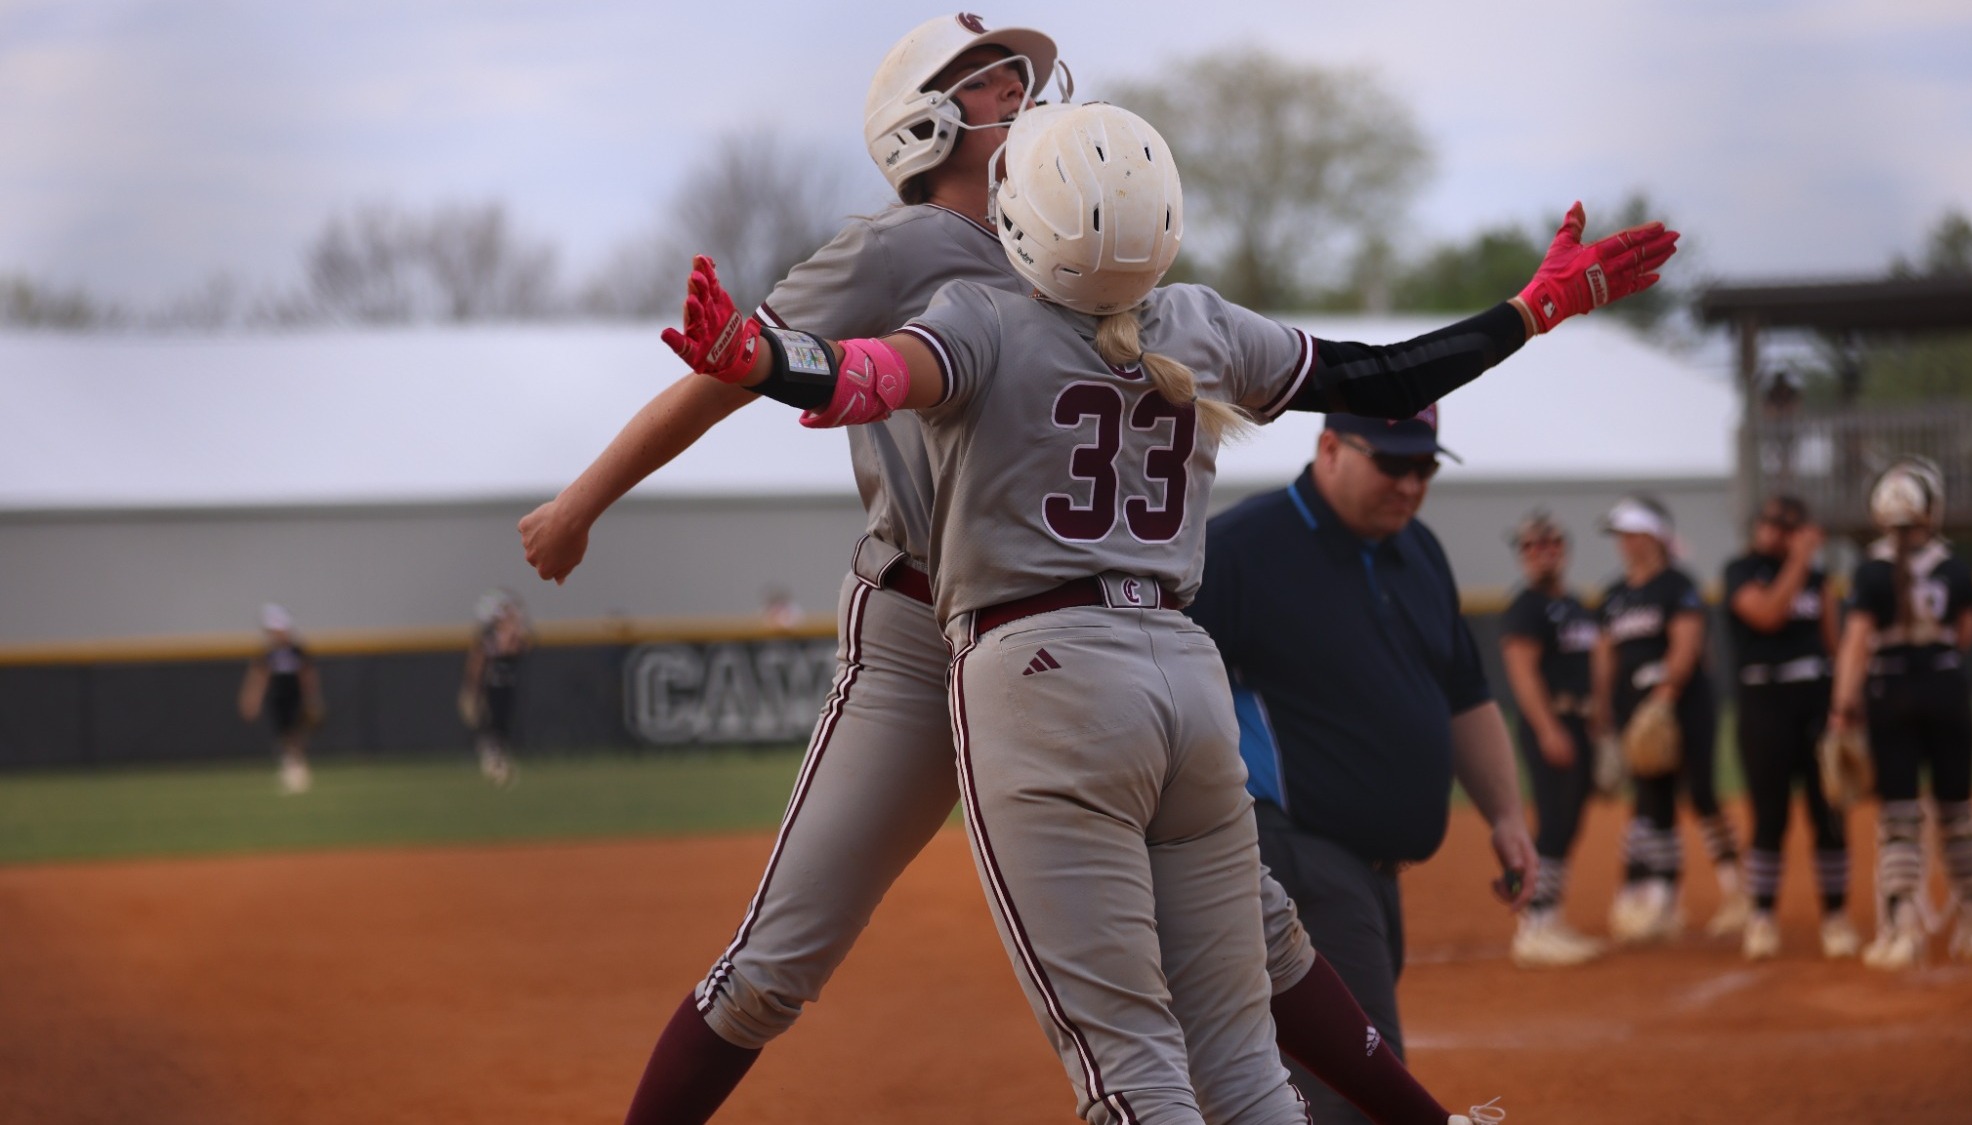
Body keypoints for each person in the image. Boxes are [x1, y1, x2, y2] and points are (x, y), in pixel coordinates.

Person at [526, 19, 1540, 1125]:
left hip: (1070, 640)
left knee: (1253, 929)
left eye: (1021, 74)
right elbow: (734, 375)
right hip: (923, 628)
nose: (1021, 87)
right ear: (920, 124)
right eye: (988, 78)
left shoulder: (1091, 238)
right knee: (777, 959)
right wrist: (583, 501)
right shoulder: (901, 250)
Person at [1190, 407, 1538, 1119]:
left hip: (1372, 873)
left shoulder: (1421, 551)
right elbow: (1157, 687)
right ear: (1330, 448)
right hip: (1293, 857)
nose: (1410, 484)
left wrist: (1505, 814)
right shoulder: (1242, 548)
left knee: (1318, 1084)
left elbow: (1464, 693)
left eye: (1424, 467)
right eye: (1391, 462)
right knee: (1355, 1091)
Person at [1829, 458, 1972, 968]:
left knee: (1899, 816)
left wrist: (1842, 707)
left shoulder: (1871, 571)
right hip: (1946, 691)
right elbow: (1965, 635)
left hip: (1891, 693)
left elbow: (1857, 643)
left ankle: (1901, 927)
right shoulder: (1955, 568)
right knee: (1957, 813)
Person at [1590, 495, 1747, 943]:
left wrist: (1665, 696)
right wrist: (1602, 708)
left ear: (1654, 537)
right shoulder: (1614, 595)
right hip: (1633, 708)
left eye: (1632, 534)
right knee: (1651, 798)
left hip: (1683, 705)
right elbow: (1605, 654)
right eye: (1621, 535)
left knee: (1701, 792)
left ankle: (1738, 891)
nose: (1624, 543)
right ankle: (1662, 900)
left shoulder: (1677, 585)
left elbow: (1687, 642)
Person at [1721, 495, 1856, 960]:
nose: (1775, 530)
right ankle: (1761, 917)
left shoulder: (1819, 580)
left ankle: (1836, 917)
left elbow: (1834, 644)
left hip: (1815, 702)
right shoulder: (1740, 571)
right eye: (1770, 521)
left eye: (1788, 525)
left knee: (1829, 815)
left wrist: (1846, 706)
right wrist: (1800, 560)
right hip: (1764, 703)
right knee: (1769, 816)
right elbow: (1768, 614)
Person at [1496, 510, 1607, 968]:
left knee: (1568, 824)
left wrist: (1599, 723)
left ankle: (1550, 918)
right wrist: (1547, 729)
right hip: (1552, 723)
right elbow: (1522, 674)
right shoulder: (1526, 607)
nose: (1542, 552)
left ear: (1564, 549)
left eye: (1551, 543)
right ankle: (1533, 926)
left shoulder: (1576, 604)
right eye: (1531, 546)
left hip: (1579, 722)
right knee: (1554, 822)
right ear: (1522, 555)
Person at [237, 603, 321, 794]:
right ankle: (291, 767)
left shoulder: (296, 650)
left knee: (296, 732)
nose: (274, 634)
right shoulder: (269, 653)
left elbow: (307, 674)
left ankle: (297, 768)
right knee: (283, 734)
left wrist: (312, 697)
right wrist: (252, 699)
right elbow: (259, 676)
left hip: (295, 697)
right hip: (278, 697)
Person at [460, 589, 528, 786]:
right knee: (491, 727)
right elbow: (476, 665)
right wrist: (472, 691)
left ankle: (498, 762)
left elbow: (520, 646)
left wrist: (513, 625)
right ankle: (492, 763)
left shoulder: (507, 636)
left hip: (506, 688)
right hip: (492, 689)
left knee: (502, 727)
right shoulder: (488, 640)